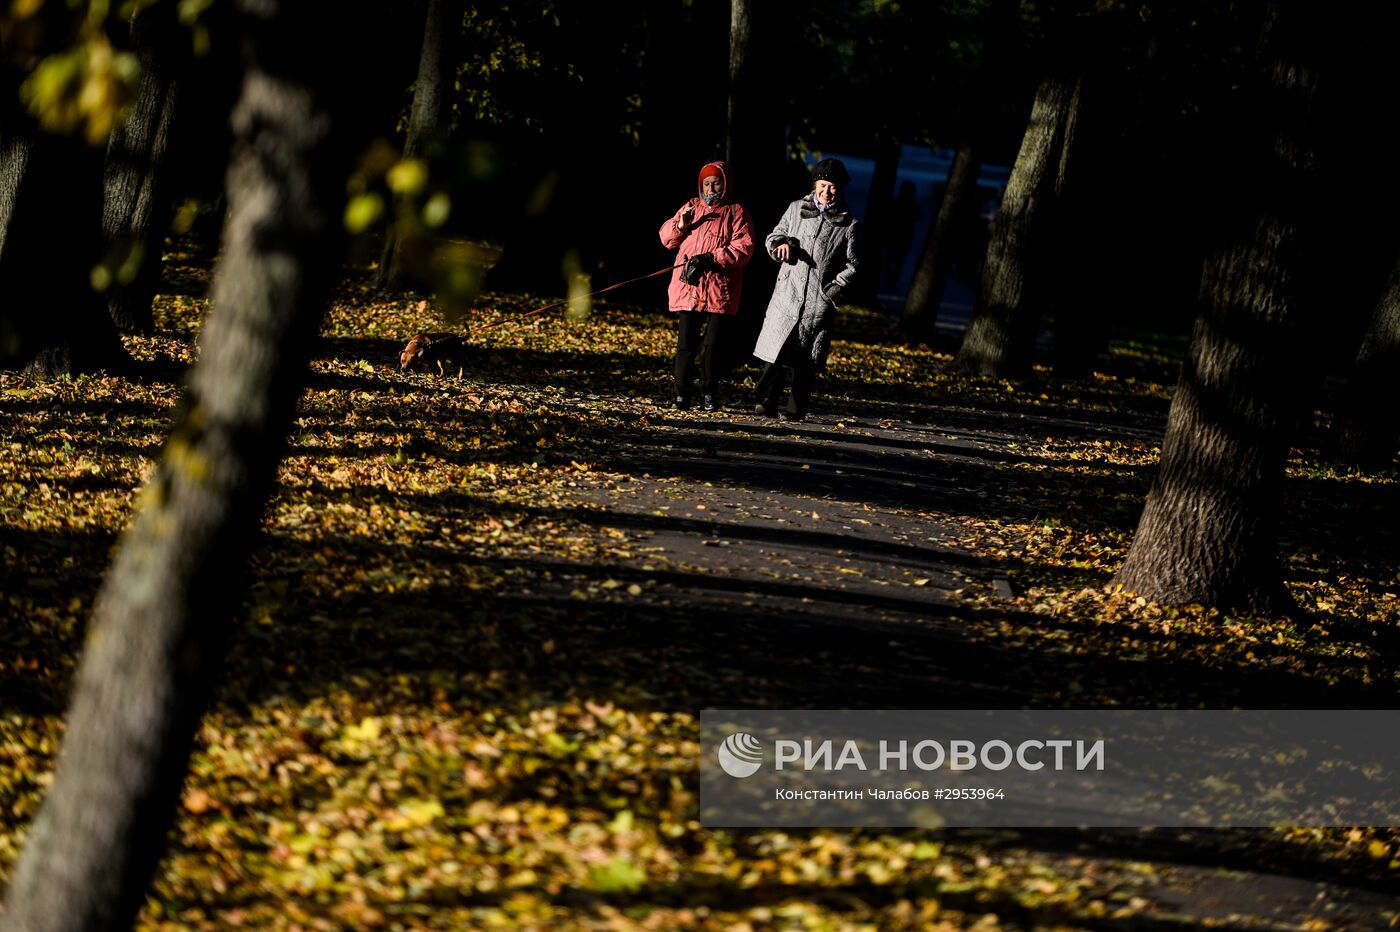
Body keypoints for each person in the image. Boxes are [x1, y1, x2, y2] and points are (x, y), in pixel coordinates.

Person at [752, 158, 860, 421]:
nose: (826, 191)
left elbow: (854, 264)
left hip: (817, 300)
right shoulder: (795, 208)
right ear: (815, 184)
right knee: (776, 349)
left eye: (832, 187)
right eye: (822, 185)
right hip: (787, 292)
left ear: (840, 189)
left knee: (805, 359)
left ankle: (796, 408)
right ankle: (767, 401)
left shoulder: (849, 224)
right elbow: (774, 236)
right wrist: (781, 245)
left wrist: (834, 288)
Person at [658, 161, 756, 411]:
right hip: (688, 287)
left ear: (726, 184)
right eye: (707, 183)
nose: (711, 187)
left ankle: (709, 394)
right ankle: (682, 395)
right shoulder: (691, 206)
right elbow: (667, 240)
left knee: (713, 346)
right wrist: (681, 224)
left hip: (719, 291)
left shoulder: (736, 212)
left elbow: (744, 248)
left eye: (716, 182)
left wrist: (712, 258)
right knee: (685, 346)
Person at [883, 179, 921, 290]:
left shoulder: (896, 202)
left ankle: (888, 280)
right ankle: (892, 281)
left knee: (891, 260)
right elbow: (918, 217)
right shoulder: (912, 205)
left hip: (894, 235)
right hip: (904, 236)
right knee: (898, 260)